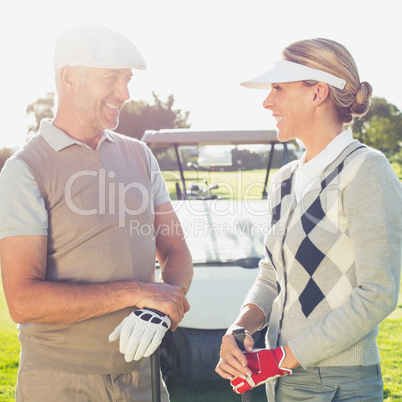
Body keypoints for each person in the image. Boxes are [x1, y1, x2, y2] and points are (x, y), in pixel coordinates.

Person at [0, 25, 193, 401]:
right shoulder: (25, 170)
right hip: (61, 383)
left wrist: (161, 310)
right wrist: (138, 292)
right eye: (111, 79)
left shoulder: (140, 156)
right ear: (69, 77)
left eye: (127, 80)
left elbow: (176, 252)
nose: (124, 93)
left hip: (143, 379)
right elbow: (23, 300)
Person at [216, 38, 402, 401]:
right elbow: (271, 274)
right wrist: (240, 328)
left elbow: (378, 294)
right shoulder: (284, 178)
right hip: (282, 380)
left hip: (339, 383)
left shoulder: (366, 170)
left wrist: (285, 357)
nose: (267, 101)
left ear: (317, 92)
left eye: (278, 88)